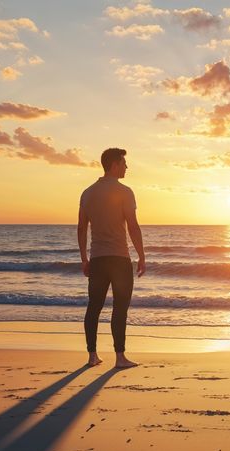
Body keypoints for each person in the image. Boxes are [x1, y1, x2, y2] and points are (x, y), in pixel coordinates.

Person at [77, 147, 146, 368]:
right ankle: (120, 357)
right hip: (119, 258)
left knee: (94, 307)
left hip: (97, 259)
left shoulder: (87, 193)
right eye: (124, 163)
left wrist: (84, 259)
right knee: (120, 307)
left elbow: (81, 228)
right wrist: (142, 256)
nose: (127, 167)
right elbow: (133, 227)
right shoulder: (124, 192)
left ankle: (92, 356)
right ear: (115, 164)